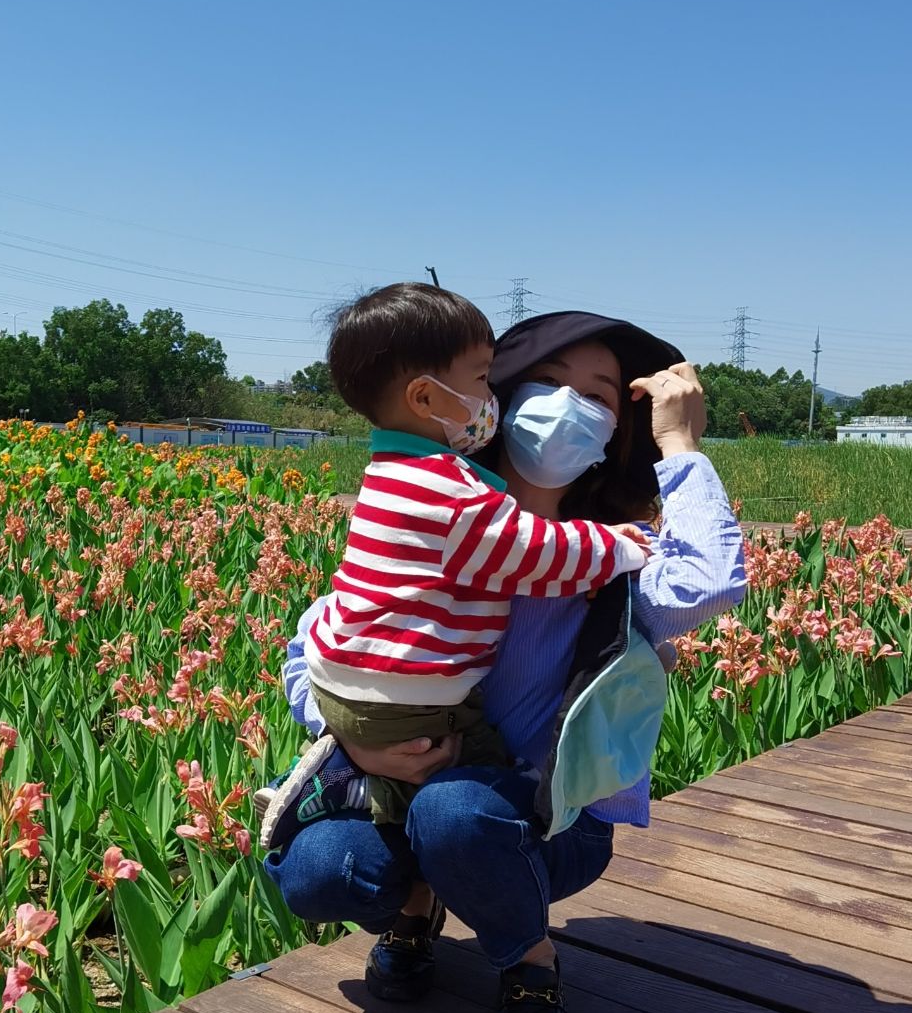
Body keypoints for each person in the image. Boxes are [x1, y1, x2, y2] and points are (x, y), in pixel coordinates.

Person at [267, 309, 746, 1013]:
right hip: (396, 794)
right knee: (322, 868)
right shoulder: (429, 523)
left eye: (594, 396)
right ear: (494, 399)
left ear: (613, 430)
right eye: (545, 384)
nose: (565, 408)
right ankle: (416, 908)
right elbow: (314, 647)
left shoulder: (609, 563)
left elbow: (709, 582)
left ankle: (528, 961)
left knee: (454, 812)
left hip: (541, 823)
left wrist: (680, 444)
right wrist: (358, 738)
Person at [260, 282, 649, 840]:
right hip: (413, 702)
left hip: (346, 680)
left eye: (596, 397)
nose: (489, 396)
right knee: (486, 776)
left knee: (446, 799)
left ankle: (352, 785)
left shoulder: (387, 475)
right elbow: (533, 552)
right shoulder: (452, 495)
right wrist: (621, 547)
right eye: (483, 380)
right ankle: (354, 776)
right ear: (425, 398)